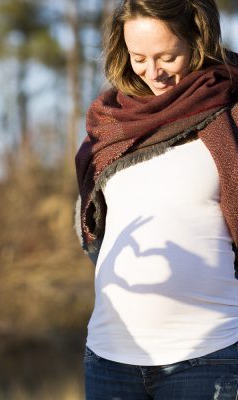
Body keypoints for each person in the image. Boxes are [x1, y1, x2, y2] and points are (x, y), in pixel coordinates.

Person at [74, 0, 238, 399]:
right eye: (139, 58)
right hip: (109, 360)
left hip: (209, 356)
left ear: (198, 41)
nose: (154, 73)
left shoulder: (231, 112)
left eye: (168, 56)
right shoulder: (111, 123)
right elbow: (96, 222)